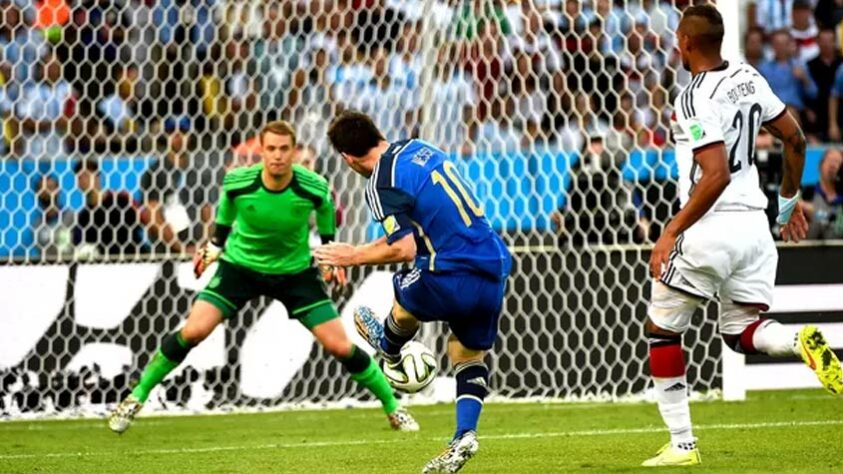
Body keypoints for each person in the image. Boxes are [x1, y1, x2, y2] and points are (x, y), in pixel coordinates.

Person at [108, 120, 418, 434]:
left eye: (285, 149)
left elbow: (325, 211)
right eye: (271, 149)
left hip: (294, 273)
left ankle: (394, 407)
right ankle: (136, 397)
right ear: (261, 150)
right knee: (192, 332)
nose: (278, 156)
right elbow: (226, 211)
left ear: (294, 151)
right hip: (240, 269)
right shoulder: (238, 182)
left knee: (339, 346)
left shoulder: (313, 186)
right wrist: (215, 246)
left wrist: (328, 255)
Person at [642, 5, 842, 467]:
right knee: (740, 331)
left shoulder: (692, 97)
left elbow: (714, 176)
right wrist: (788, 204)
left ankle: (683, 444)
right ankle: (797, 342)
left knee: (661, 331)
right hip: (755, 229)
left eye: (678, 37)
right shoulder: (750, 77)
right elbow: (795, 140)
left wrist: (670, 231)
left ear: (687, 44)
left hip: (710, 226)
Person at [316, 111, 512, 473]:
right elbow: (413, 229)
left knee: (403, 298)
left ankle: (388, 349)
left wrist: (353, 255)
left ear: (347, 158)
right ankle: (464, 436)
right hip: (493, 262)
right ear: (378, 133)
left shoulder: (379, 183)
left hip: (450, 270)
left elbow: (403, 249)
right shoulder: (418, 149)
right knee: (466, 352)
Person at [73, 160, 143, 257]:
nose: (83, 181)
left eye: (86, 175)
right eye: (79, 178)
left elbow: (140, 223)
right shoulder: (84, 217)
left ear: (98, 177)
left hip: (133, 259)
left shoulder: (121, 200)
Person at [802, 148, 843, 239]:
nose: (832, 165)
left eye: (837, 162)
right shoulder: (807, 193)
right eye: (829, 160)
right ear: (820, 165)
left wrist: (815, 212)